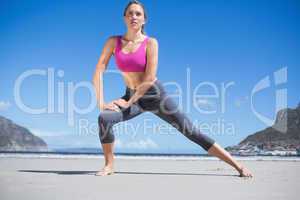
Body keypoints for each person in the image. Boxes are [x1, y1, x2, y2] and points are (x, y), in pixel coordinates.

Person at [92, 0, 253, 178]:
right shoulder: (113, 42)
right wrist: (101, 103)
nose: (134, 17)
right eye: (130, 13)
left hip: (155, 95)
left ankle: (238, 165)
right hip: (131, 95)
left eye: (138, 14)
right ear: (124, 18)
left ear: (144, 19)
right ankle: (109, 165)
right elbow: (99, 69)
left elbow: (149, 78)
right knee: (104, 118)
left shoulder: (150, 43)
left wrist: (128, 102)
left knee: (191, 132)